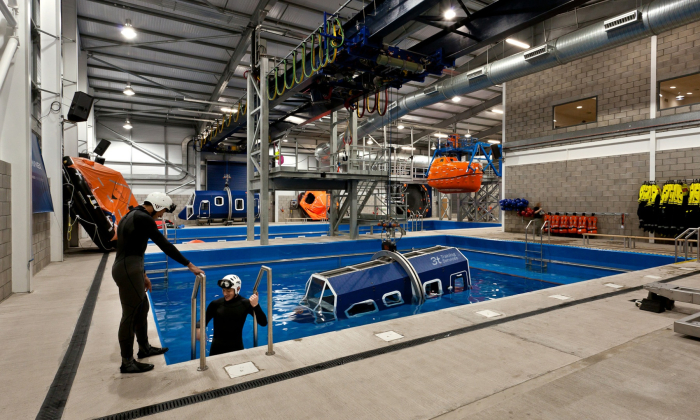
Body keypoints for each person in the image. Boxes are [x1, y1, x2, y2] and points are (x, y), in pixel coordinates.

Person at [113, 192, 205, 374]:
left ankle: (144, 347)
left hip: (131, 268)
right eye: (162, 210)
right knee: (129, 315)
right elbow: (165, 245)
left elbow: (132, 248)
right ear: (156, 206)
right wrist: (189, 264)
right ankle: (127, 362)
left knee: (142, 308)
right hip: (128, 270)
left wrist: (144, 274)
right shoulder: (143, 218)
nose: (162, 215)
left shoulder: (132, 215)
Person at [196, 274, 268, 356]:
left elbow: (263, 322)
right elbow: (202, 320)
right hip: (216, 350)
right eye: (223, 290)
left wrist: (256, 305)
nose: (225, 293)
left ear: (237, 289)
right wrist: (198, 328)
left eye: (228, 291)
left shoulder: (245, 304)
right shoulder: (215, 304)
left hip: (236, 349)